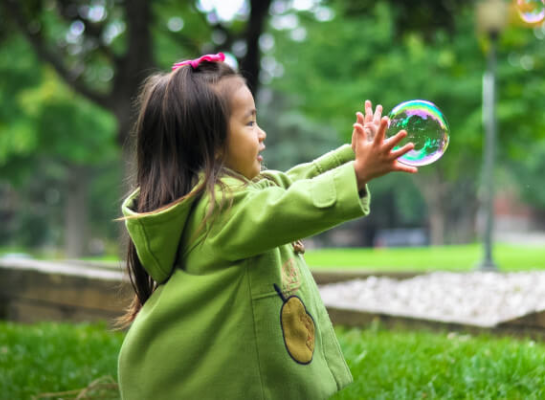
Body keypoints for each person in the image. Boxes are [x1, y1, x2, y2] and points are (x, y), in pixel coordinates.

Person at [117, 52, 418, 400]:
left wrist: (353, 156)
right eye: (248, 123)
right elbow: (288, 206)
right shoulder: (220, 211)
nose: (261, 134)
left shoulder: (230, 196)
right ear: (213, 146)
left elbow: (289, 184)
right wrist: (359, 173)